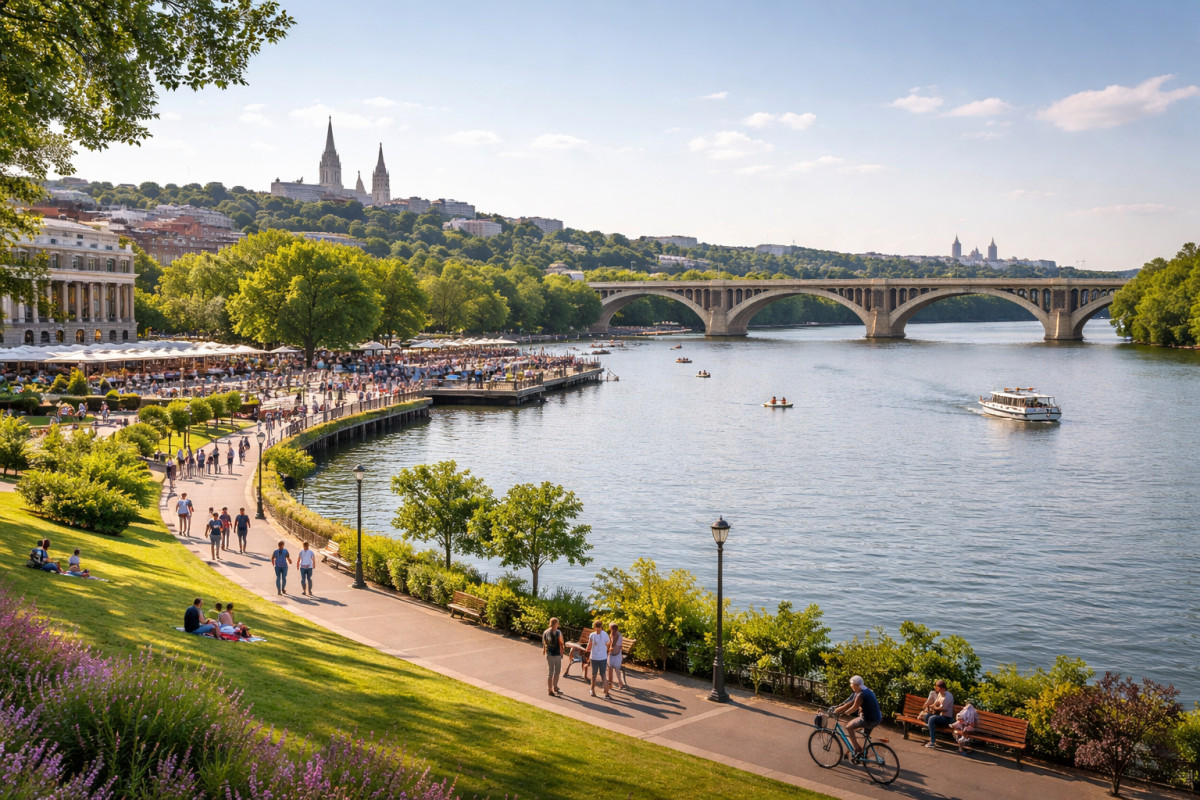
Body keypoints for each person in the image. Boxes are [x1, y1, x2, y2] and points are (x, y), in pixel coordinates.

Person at [833, 675, 883, 758]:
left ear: (855, 685)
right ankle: (851, 752)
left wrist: (844, 714)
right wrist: (838, 709)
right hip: (876, 718)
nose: (850, 685)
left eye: (851, 684)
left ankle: (857, 749)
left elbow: (854, 708)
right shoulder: (866, 691)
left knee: (849, 727)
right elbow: (851, 703)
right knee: (855, 732)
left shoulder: (860, 694)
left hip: (868, 720)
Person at [923, 679, 956, 749]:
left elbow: (944, 709)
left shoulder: (948, 696)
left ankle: (932, 742)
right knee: (927, 716)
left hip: (947, 719)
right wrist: (929, 706)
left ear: (941, 688)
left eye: (936, 687)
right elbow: (935, 704)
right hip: (941, 717)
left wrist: (934, 708)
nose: (935, 688)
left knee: (932, 718)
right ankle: (933, 731)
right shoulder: (940, 694)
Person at [587, 620, 610, 699]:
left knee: (594, 675)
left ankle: (592, 690)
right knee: (603, 674)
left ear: (595, 626)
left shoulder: (592, 635)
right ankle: (606, 692)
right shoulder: (605, 634)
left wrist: (586, 650)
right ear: (601, 626)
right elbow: (608, 644)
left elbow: (589, 647)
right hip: (603, 657)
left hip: (594, 657)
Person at [543, 617, 565, 697]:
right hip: (557, 654)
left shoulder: (545, 632)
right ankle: (555, 686)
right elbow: (561, 641)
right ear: (556, 624)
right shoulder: (558, 632)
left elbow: (544, 643)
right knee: (557, 671)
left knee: (550, 673)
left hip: (549, 654)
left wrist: (545, 651)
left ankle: (550, 689)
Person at [606, 622, 627, 692]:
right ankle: (610, 683)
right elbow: (609, 644)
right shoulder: (611, 634)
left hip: (617, 655)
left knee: (617, 670)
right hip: (611, 654)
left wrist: (609, 651)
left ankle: (620, 682)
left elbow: (616, 648)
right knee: (610, 668)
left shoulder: (618, 636)